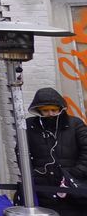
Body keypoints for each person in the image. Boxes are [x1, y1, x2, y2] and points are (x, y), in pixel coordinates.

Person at [26, 87, 87, 216]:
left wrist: (73, 175)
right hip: (43, 190)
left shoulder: (75, 124)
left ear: (60, 108)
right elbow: (22, 153)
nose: (50, 113)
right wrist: (33, 176)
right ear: (38, 111)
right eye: (45, 110)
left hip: (74, 189)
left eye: (54, 110)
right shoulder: (29, 126)